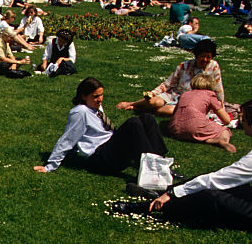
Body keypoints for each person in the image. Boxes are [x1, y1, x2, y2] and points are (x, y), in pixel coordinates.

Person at [139, 98, 252, 235]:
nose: (240, 121)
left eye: (243, 118)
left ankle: (156, 207)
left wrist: (174, 193)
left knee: (211, 197)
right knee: (214, 183)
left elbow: (216, 180)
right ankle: (160, 194)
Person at [33, 77, 167, 176]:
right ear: (84, 96)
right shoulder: (80, 112)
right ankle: (151, 171)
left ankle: (161, 165)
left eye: (101, 95)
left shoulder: (95, 106)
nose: (100, 99)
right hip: (100, 158)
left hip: (110, 147)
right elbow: (68, 139)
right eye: (96, 96)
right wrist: (50, 165)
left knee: (147, 118)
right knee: (133, 123)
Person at [116, 39, 223, 117]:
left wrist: (220, 106)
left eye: (208, 57)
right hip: (174, 95)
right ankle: (132, 104)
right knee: (155, 102)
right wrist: (153, 93)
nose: (205, 59)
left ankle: (143, 110)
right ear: (196, 55)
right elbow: (167, 84)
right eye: (202, 56)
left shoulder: (214, 67)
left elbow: (218, 88)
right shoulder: (184, 66)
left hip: (193, 101)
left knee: (171, 111)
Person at [166, 74, 235, 152]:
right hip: (195, 126)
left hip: (175, 129)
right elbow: (226, 120)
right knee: (224, 130)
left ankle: (207, 139)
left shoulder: (185, 94)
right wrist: (221, 107)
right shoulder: (210, 95)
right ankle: (222, 141)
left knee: (192, 130)